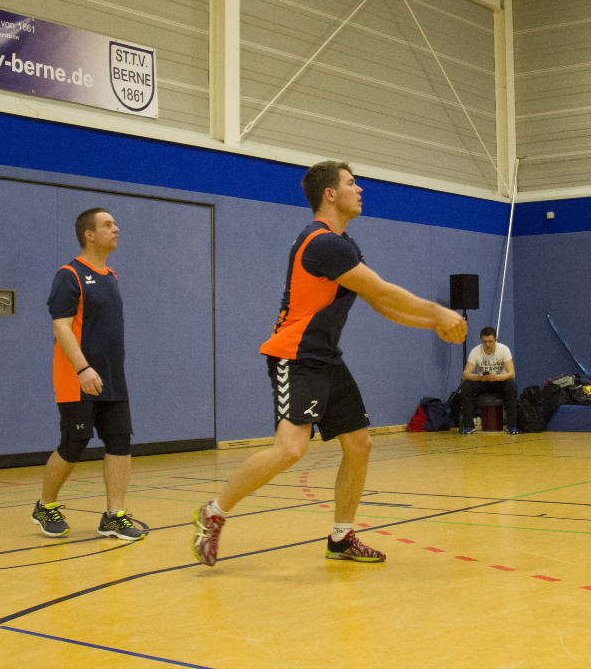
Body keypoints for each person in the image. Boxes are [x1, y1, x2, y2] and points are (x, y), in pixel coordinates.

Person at [191, 162, 467, 567]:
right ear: (330, 194)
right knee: (290, 449)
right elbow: (383, 290)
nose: (360, 189)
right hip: (296, 356)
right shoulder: (322, 243)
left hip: (326, 358)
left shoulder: (345, 244)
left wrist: (432, 323)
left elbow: (379, 303)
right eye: (351, 183)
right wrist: (438, 311)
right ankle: (213, 512)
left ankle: (341, 537)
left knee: (359, 445)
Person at [31, 208, 148, 542]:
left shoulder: (111, 276)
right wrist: (83, 368)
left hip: (112, 377)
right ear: (89, 234)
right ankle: (45, 506)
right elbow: (61, 327)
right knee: (74, 442)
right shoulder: (69, 275)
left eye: (114, 223)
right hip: (76, 377)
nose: (116, 228)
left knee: (120, 442)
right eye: (108, 225)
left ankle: (114, 516)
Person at [458, 326, 519, 435]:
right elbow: (465, 375)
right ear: (481, 340)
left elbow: (512, 374)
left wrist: (496, 377)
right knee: (466, 385)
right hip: (483, 381)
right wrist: (478, 377)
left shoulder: (504, 350)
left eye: (490, 341)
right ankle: (468, 426)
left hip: (499, 381)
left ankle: (511, 425)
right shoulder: (475, 351)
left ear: (496, 340)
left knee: (511, 384)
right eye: (485, 342)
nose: (488, 345)